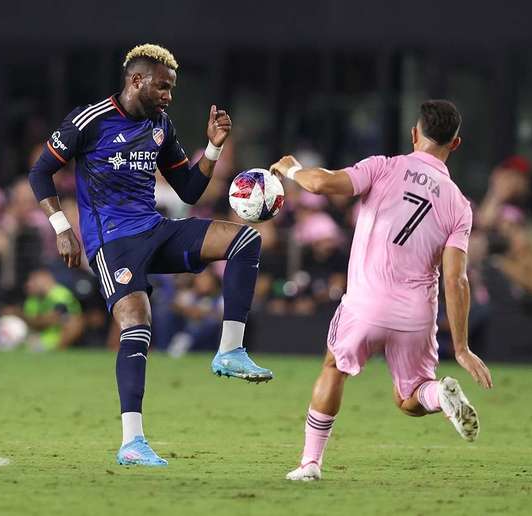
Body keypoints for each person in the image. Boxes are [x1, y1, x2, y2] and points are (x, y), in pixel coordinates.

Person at [27, 44, 272, 467]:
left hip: (154, 230)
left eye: (172, 89)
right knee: (137, 322)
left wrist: (212, 149)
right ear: (136, 80)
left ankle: (229, 350)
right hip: (111, 243)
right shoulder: (90, 121)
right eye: (163, 86)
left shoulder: (161, 125)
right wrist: (61, 227)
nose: (168, 96)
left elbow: (190, 191)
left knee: (245, 241)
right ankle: (132, 442)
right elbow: (39, 171)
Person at [270, 100, 493, 482]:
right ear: (454, 145)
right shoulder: (460, 205)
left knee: (334, 368)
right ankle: (441, 396)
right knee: (410, 398)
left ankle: (310, 463)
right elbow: (456, 279)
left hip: (366, 303)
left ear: (414, 134)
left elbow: (322, 184)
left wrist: (290, 168)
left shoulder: (384, 166)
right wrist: (461, 348)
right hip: (416, 314)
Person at [21, 268, 84, 351]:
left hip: (56, 341)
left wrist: (24, 317)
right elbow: (30, 321)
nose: (29, 284)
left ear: (46, 280)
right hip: (35, 340)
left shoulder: (60, 295)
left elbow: (54, 318)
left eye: (34, 280)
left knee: (73, 323)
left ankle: (57, 350)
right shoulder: (32, 300)